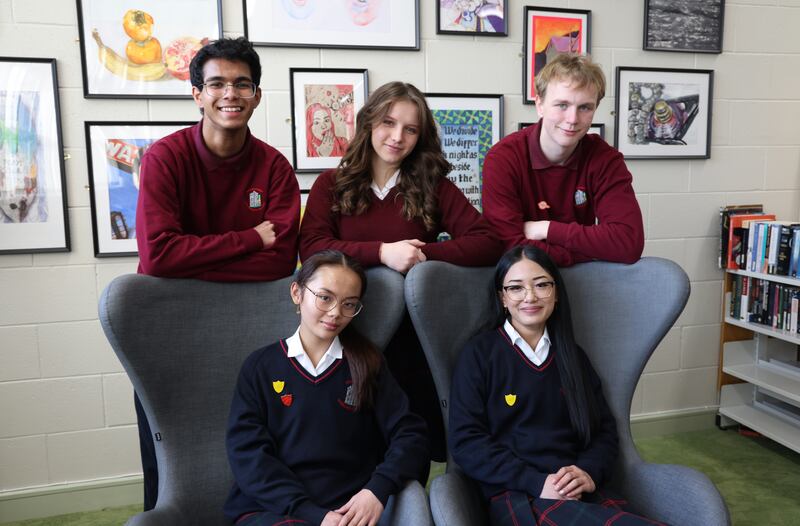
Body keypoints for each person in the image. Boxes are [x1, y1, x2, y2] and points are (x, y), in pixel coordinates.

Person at [134, 37, 300, 510]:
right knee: (168, 456)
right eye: (217, 84)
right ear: (197, 94)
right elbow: (159, 257)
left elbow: (279, 261)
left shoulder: (273, 167)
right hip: (168, 331)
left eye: (242, 84)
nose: (231, 94)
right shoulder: (165, 159)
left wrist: (193, 260)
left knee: (256, 443)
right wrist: (249, 238)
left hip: (249, 333)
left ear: (257, 95)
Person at [299, 81, 502, 461]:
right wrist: (381, 253)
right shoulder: (332, 183)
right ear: (369, 124)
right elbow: (312, 248)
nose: (397, 137)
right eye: (388, 123)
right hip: (344, 331)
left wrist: (423, 256)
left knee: (411, 440)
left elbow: (488, 240)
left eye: (410, 129)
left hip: (410, 338)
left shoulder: (432, 185)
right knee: (344, 443)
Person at [449, 246, 666, 525]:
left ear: (557, 293)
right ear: (502, 298)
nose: (530, 296)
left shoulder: (573, 356)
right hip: (518, 495)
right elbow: (466, 441)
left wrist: (586, 471)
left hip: (576, 489)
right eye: (516, 288)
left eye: (541, 285)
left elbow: (605, 431)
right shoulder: (479, 355)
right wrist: (537, 483)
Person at [225, 250, 429, 526]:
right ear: (297, 293)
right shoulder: (260, 367)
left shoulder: (368, 364)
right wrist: (312, 514)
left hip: (347, 514)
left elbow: (410, 435)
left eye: (349, 304)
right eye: (325, 298)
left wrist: (376, 490)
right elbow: (249, 456)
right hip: (272, 510)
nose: (335, 313)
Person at [482, 54, 644, 267]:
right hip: (523, 285)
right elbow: (510, 247)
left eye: (585, 107)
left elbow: (628, 243)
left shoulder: (605, 159)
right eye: (562, 105)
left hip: (582, 282)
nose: (572, 119)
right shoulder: (503, 159)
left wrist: (545, 228)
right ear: (539, 104)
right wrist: (585, 256)